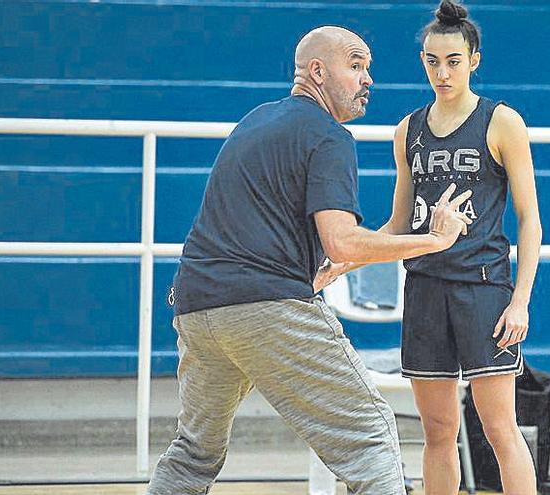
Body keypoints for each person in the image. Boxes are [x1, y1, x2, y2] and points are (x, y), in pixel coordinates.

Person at [147, 25, 472, 495]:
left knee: (194, 452)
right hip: (265, 306)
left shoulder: (255, 120)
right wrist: (433, 240)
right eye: (356, 66)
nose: (368, 79)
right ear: (317, 72)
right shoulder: (329, 136)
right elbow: (341, 241)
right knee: (371, 435)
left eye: (369, 69)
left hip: (196, 307)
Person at [332, 1, 544, 493]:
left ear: (474, 60)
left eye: (452, 61)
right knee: (438, 431)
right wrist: (341, 260)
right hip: (425, 288)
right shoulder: (409, 129)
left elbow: (530, 220)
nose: (442, 72)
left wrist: (521, 301)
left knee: (499, 428)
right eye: (432, 61)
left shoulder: (501, 122)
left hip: (484, 289)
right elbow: (398, 222)